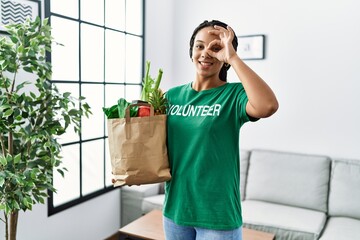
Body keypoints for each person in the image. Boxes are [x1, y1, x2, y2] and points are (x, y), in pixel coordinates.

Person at [163, 20, 279, 240]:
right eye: (199, 46)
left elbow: (267, 106)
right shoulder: (172, 97)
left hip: (217, 217)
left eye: (215, 48)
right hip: (176, 211)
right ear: (191, 52)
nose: (205, 53)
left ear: (224, 56)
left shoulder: (233, 95)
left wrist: (234, 58)